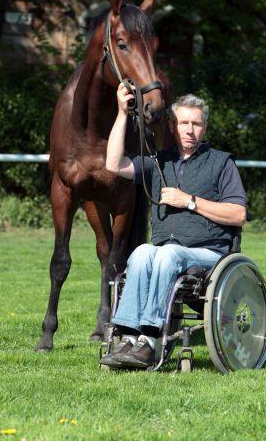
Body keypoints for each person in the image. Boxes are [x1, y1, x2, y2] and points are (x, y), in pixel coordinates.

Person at [100, 83, 247, 369]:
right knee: (143, 251)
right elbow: (113, 163)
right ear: (173, 125)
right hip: (166, 252)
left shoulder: (221, 163)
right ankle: (130, 338)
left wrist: (189, 201)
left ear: (204, 128)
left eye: (197, 124)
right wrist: (121, 113)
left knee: (168, 253)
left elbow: (238, 214)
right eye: (184, 123)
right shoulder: (160, 162)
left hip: (209, 254)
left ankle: (151, 341)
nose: (190, 130)